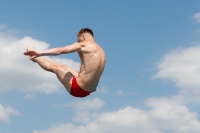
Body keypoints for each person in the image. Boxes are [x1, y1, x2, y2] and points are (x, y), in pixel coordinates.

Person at [24, 28, 106, 98]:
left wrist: (39, 53)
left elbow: (61, 51)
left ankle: (35, 57)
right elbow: (88, 67)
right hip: (90, 89)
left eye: (79, 40)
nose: (78, 42)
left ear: (84, 37)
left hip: (78, 88)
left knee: (55, 67)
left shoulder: (83, 45)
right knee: (62, 66)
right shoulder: (101, 50)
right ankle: (36, 58)